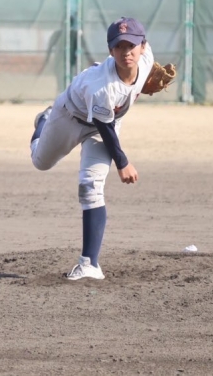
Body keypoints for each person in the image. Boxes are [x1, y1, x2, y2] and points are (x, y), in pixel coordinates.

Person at [30, 17, 156, 281]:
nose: (126, 51)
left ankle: (89, 263)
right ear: (110, 50)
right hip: (70, 117)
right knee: (40, 162)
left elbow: (108, 125)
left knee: (90, 185)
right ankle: (43, 122)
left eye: (132, 45)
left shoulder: (146, 60)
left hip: (103, 125)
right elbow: (106, 128)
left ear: (143, 46)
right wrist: (123, 163)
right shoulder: (101, 86)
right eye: (119, 46)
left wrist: (145, 82)